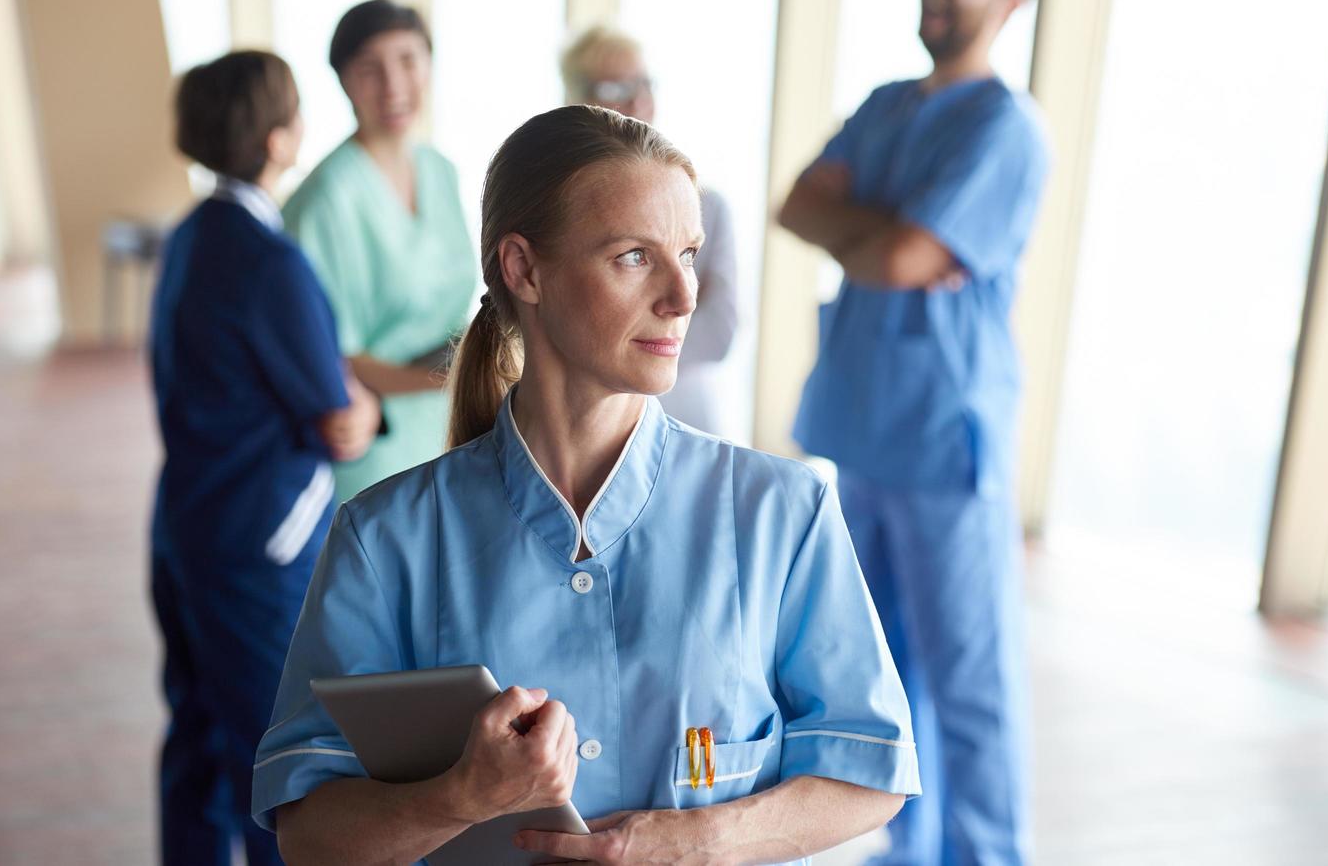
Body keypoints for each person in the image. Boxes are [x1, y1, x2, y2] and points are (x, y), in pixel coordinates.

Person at [252, 106, 919, 865]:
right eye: (634, 256)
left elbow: (871, 775)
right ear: (523, 269)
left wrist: (693, 840)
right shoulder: (383, 541)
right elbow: (308, 836)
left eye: (689, 253)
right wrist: (459, 797)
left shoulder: (782, 515)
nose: (683, 295)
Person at [777, 0, 1050, 866]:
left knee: (968, 685)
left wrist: (879, 239)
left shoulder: (1003, 130)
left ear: (1008, 3)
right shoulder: (888, 104)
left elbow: (900, 255)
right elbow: (797, 205)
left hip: (943, 437)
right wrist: (888, 238)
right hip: (864, 433)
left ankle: (984, 855)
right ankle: (907, 851)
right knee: (884, 679)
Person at [149, 50, 381, 865]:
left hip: (185, 520)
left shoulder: (188, 239)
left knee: (197, 735)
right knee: (270, 752)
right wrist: (371, 400)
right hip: (256, 541)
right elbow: (337, 420)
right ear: (281, 140)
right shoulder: (269, 259)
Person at [283, 0, 477, 502]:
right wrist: (457, 377)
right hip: (373, 443)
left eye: (409, 61)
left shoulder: (441, 170)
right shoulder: (326, 198)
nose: (394, 86)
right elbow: (326, 352)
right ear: (344, 82)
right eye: (370, 69)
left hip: (453, 429)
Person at [561, 25, 739, 435]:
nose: (638, 101)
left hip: (686, 415)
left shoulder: (708, 206)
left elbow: (720, 331)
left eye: (644, 84)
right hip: (584, 427)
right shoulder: (550, 210)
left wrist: (616, 346)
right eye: (614, 87)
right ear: (574, 98)